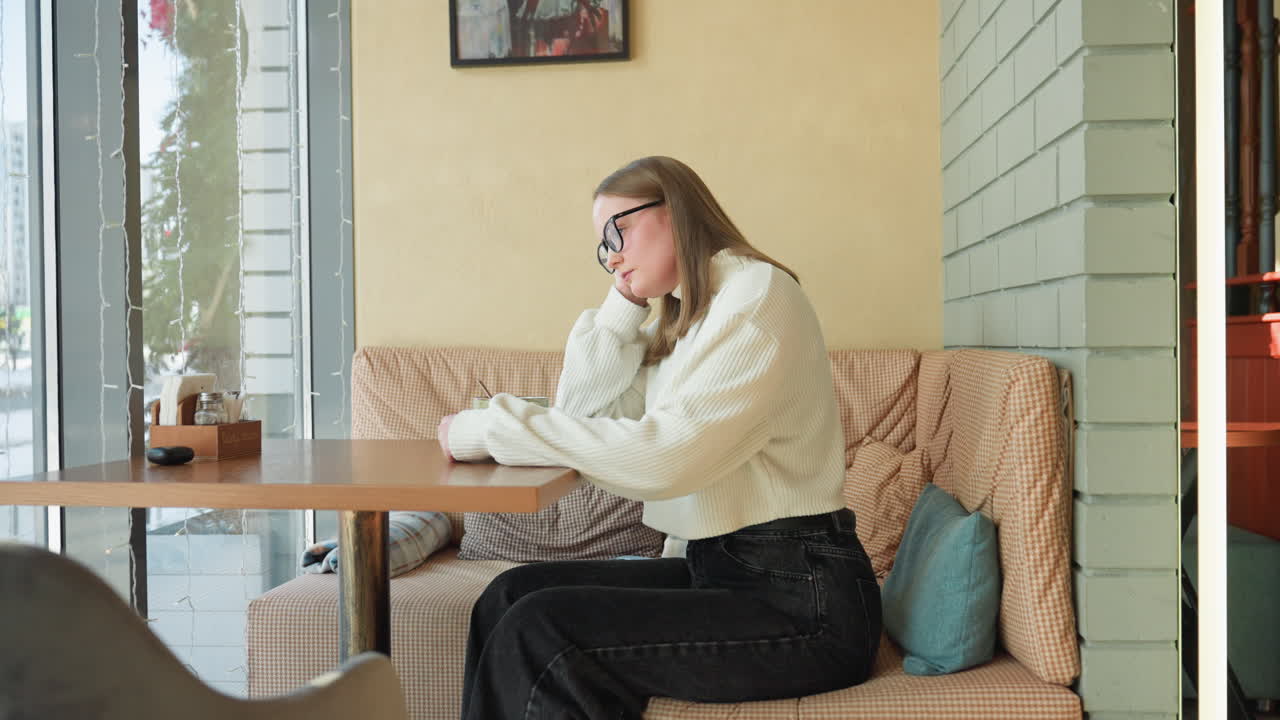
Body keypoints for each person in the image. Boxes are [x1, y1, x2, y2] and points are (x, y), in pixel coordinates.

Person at [437, 156, 881, 719]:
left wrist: (492, 428)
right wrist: (621, 306)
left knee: (540, 629)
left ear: (674, 211)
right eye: (603, 245)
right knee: (508, 596)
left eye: (617, 231)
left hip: (806, 603)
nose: (612, 254)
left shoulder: (757, 297)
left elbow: (665, 459)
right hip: (722, 571)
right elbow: (585, 411)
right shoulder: (691, 319)